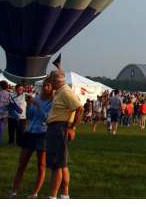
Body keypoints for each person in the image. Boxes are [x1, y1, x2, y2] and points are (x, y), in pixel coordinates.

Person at [8, 80, 53, 199]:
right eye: (44, 86)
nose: (46, 88)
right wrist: (29, 104)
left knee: (41, 165)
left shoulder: (53, 102)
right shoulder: (37, 98)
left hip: (43, 134)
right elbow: (29, 116)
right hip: (30, 132)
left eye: (48, 86)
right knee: (21, 164)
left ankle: (34, 193)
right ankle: (13, 192)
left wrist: (37, 106)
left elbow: (46, 119)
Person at [43, 70, 84, 200]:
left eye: (51, 81)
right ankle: (64, 195)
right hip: (57, 128)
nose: (49, 83)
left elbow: (79, 108)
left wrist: (73, 128)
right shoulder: (61, 91)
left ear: (55, 81)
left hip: (59, 128)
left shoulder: (65, 92)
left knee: (56, 165)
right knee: (62, 164)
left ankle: (52, 196)